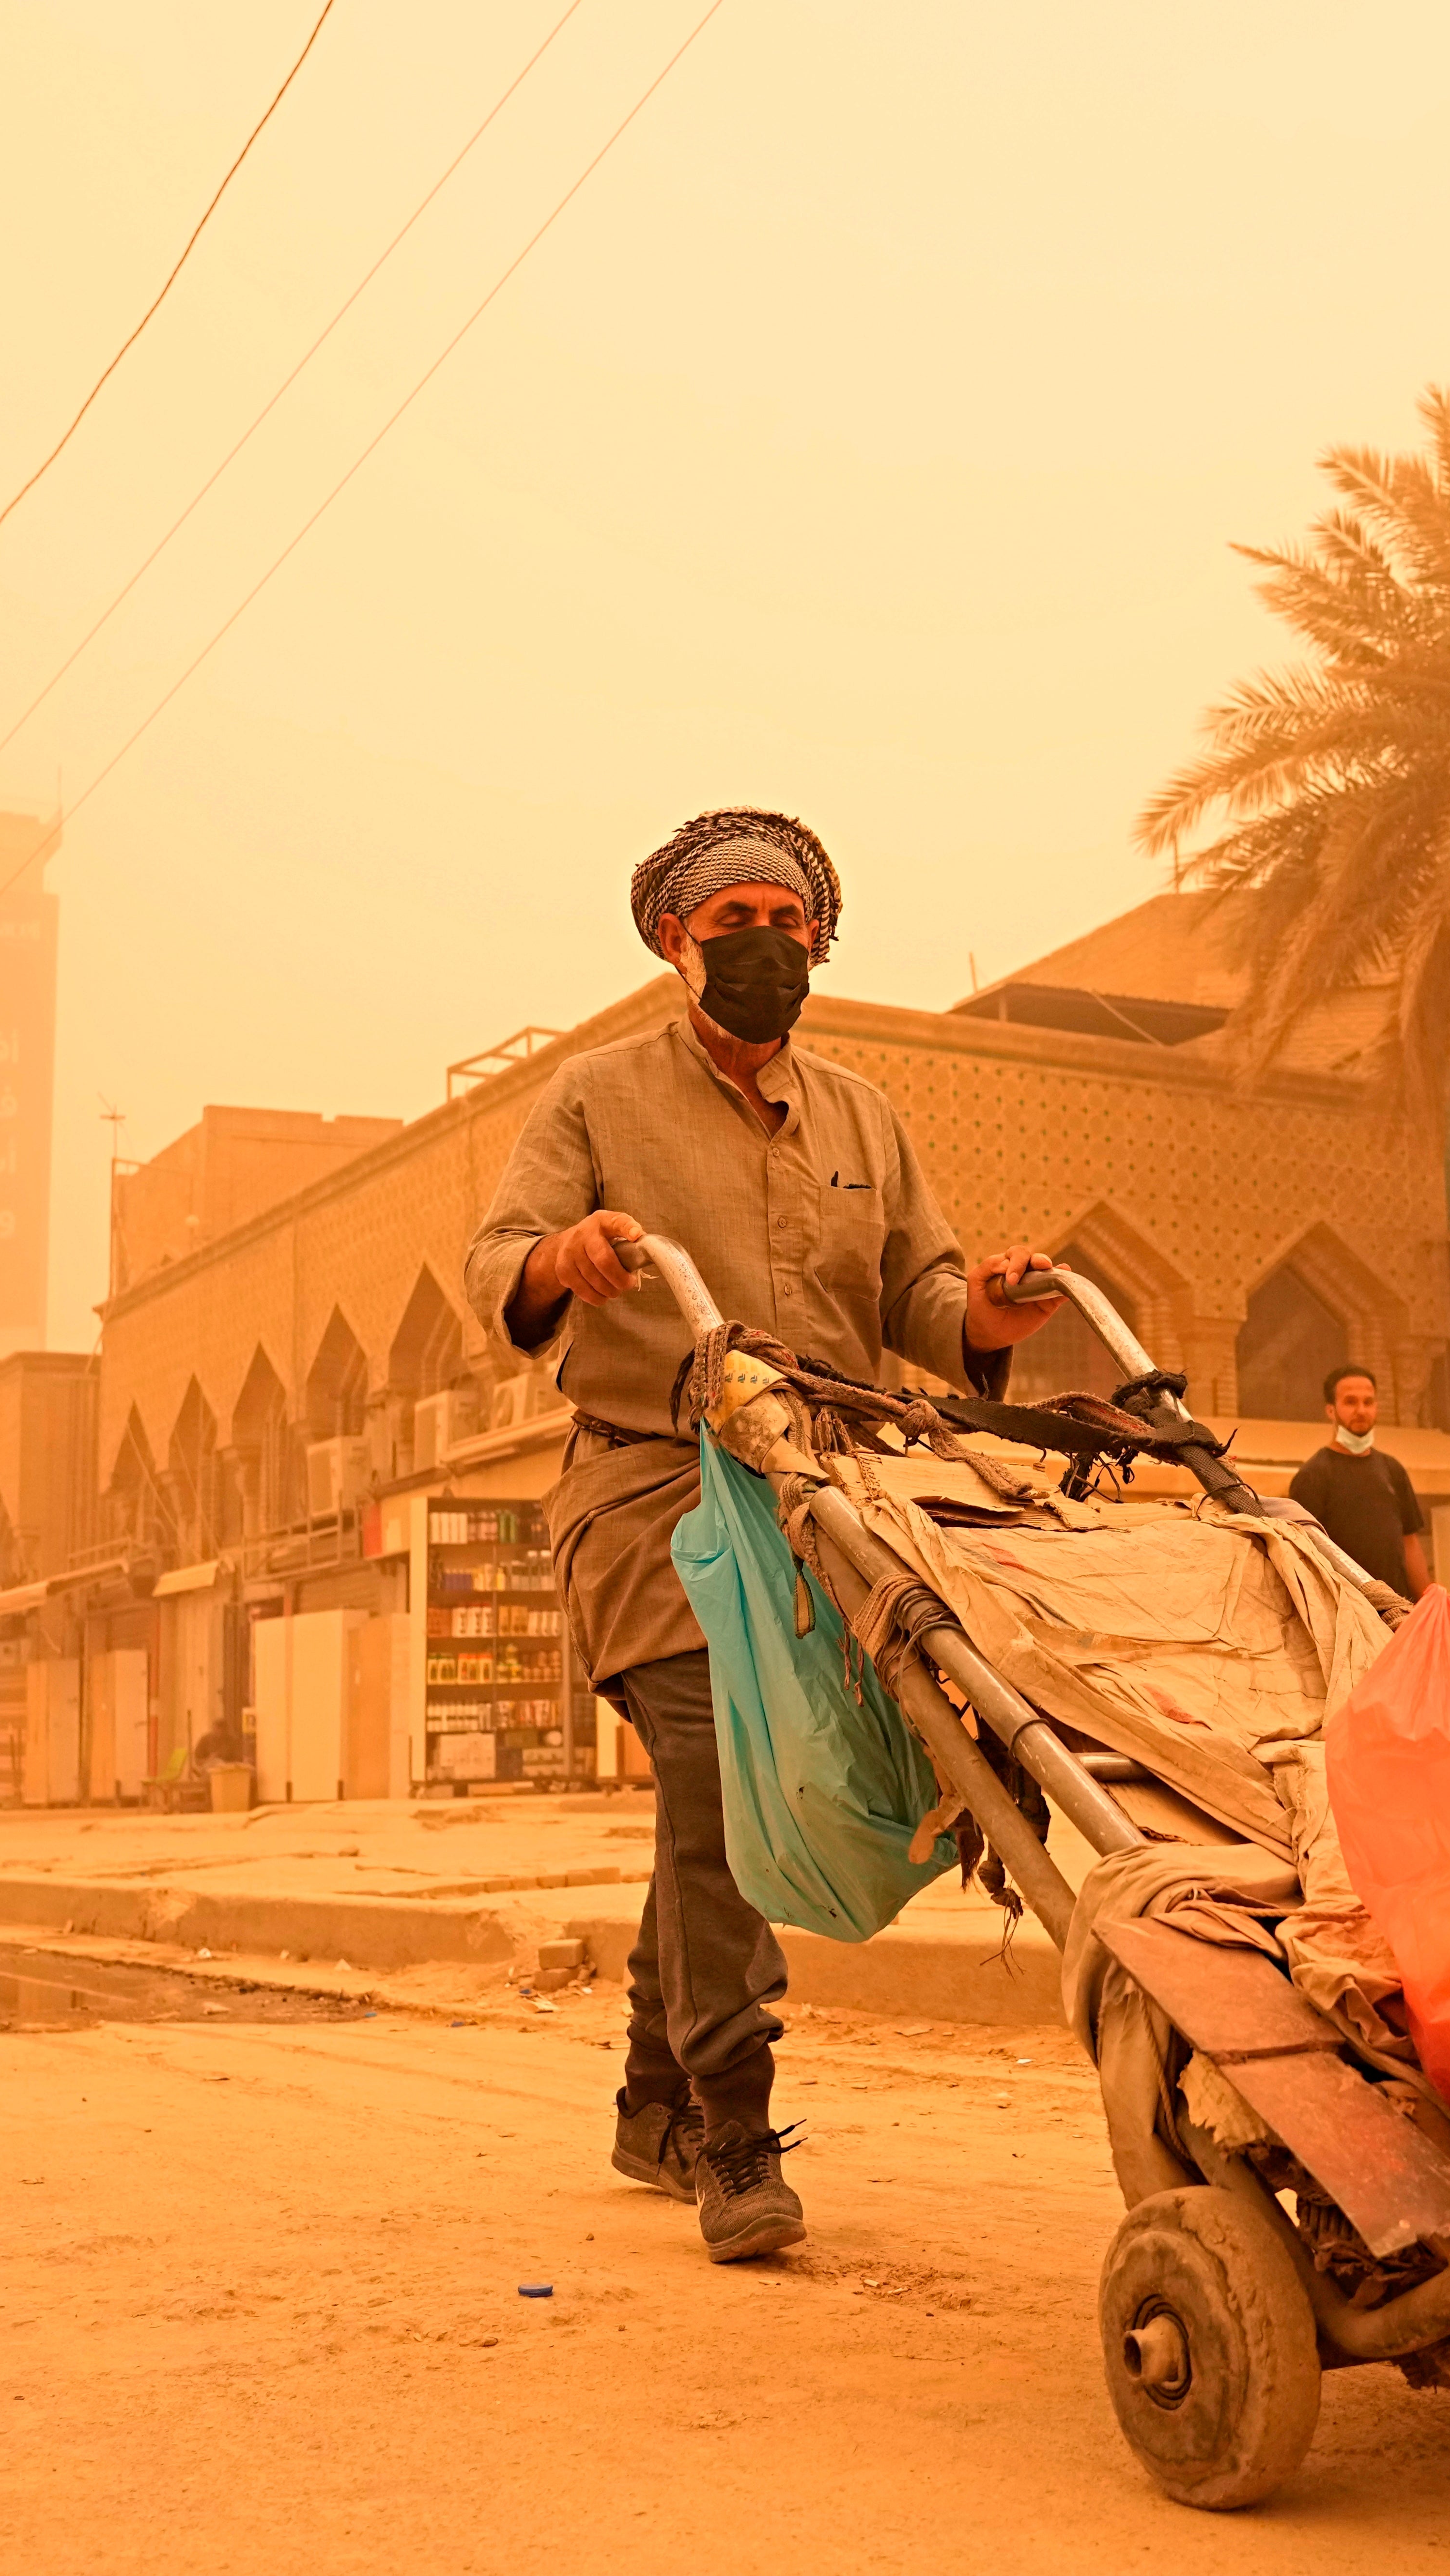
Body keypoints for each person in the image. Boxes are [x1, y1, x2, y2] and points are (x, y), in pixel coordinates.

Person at [465, 809, 1057, 2263]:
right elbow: (496, 1257)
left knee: (732, 1795)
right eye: (731, 922)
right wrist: (561, 1255)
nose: (764, 947)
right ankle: (732, 2124)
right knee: (716, 1759)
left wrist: (981, 1312)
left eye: (788, 926)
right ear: (677, 941)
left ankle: (647, 2088)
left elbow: (915, 1294)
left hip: (823, 1491)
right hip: (655, 1486)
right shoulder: (595, 1094)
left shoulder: (864, 1116)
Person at [1286, 1363, 1430, 1600]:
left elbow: (1410, 1543)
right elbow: (1303, 1554)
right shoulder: (1313, 1476)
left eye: (1368, 1402)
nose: (1361, 1410)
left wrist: (1428, 1602)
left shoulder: (1392, 1470)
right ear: (1331, 1411)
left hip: (1398, 1609)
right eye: (1351, 1402)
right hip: (1346, 1610)